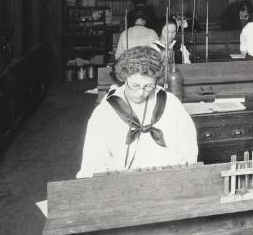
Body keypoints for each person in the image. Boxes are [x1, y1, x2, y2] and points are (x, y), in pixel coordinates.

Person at [77, 45, 198, 177]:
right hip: (121, 183)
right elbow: (93, 162)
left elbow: (188, 149)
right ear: (124, 78)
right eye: (134, 85)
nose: (140, 93)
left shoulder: (171, 104)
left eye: (148, 86)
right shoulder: (105, 111)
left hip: (167, 179)